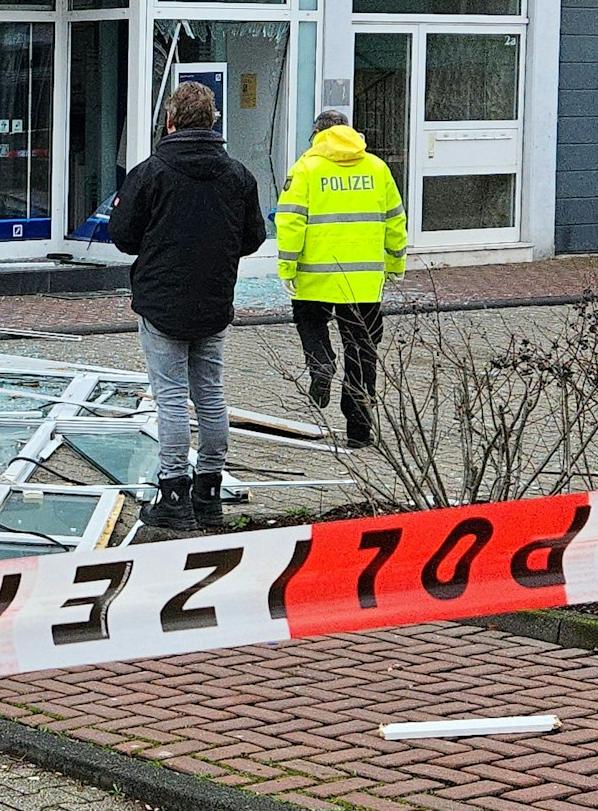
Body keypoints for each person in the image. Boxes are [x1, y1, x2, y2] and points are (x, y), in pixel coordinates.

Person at [110, 82, 268, 532]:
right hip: (214, 297)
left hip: (162, 300)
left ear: (170, 120)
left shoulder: (151, 172)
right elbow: (253, 236)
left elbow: (122, 235)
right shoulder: (237, 175)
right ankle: (210, 491)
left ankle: (174, 494)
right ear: (214, 121)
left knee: (173, 398)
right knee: (211, 393)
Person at [276, 109, 407, 449]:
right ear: (350, 132)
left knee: (310, 320)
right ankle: (359, 430)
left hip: (315, 276)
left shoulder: (306, 168)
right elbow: (395, 220)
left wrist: (287, 268)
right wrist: (395, 263)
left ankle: (320, 362)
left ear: (317, 134)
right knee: (362, 351)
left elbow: (290, 222)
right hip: (363, 280)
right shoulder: (378, 169)